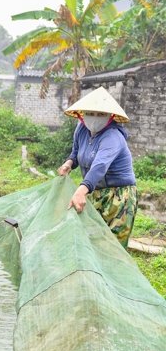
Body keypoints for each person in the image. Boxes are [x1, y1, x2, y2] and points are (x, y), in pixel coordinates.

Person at [57, 87, 138, 249]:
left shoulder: (113, 136)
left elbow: (100, 165)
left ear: (110, 117)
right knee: (90, 242)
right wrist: (69, 163)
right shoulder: (81, 129)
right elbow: (75, 152)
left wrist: (81, 191)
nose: (95, 118)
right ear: (83, 114)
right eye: (91, 113)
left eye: (101, 114)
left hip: (118, 196)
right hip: (94, 192)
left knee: (112, 247)